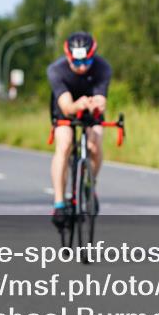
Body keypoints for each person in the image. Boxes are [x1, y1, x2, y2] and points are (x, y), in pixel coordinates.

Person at [46, 31, 111, 229]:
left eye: (87, 62)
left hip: (91, 109)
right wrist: (78, 105)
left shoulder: (103, 67)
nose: (82, 67)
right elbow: (66, 107)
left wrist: (94, 105)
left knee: (94, 143)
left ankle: (90, 185)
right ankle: (59, 203)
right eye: (77, 62)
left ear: (93, 56)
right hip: (65, 110)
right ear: (68, 56)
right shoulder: (56, 70)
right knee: (64, 144)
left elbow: (102, 100)